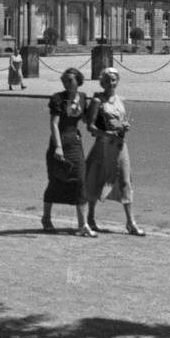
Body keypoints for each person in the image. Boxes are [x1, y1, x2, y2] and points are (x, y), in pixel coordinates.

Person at [86, 67, 145, 236]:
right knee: (95, 178)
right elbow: (90, 126)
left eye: (114, 80)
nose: (111, 83)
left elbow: (119, 120)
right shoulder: (98, 100)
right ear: (102, 82)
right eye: (107, 80)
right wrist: (107, 133)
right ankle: (90, 218)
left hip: (119, 145)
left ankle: (130, 222)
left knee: (125, 180)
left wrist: (123, 126)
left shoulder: (119, 99)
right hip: (103, 145)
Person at [41, 68, 93, 236]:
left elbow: (86, 121)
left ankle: (82, 224)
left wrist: (97, 111)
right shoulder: (58, 99)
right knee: (56, 181)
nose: (66, 83)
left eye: (70, 80)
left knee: (80, 180)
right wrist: (58, 147)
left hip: (75, 143)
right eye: (64, 80)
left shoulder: (83, 98)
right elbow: (54, 124)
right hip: (60, 142)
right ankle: (46, 218)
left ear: (78, 81)